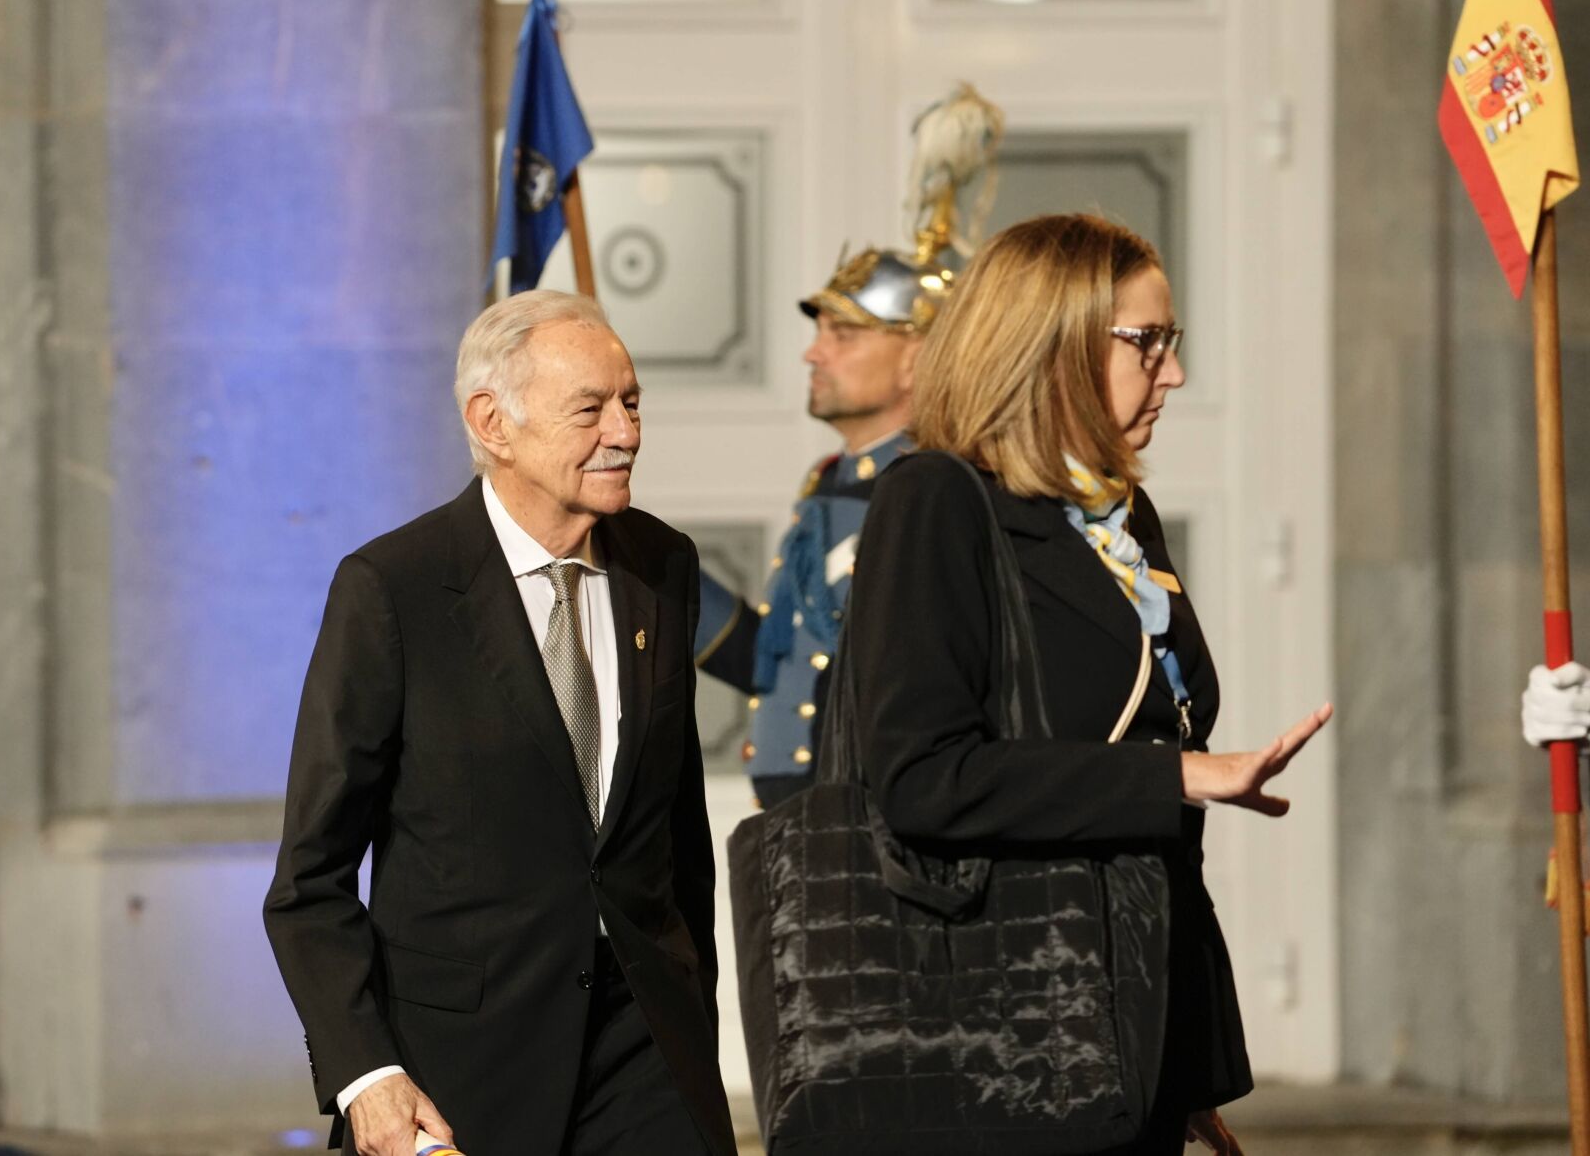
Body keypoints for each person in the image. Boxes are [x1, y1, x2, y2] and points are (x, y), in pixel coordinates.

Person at [843, 213, 1333, 1155]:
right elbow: (921, 780)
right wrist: (1181, 775)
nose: (1175, 373)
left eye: (1171, 342)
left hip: (1129, 1028)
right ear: (1049, 347)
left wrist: (1187, 1063)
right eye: (1146, 343)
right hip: (994, 1026)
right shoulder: (937, 499)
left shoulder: (1121, 514)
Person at [263, 290, 736, 1156]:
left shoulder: (664, 564)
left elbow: (676, 832)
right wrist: (365, 1075)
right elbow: (310, 879)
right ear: (493, 423)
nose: (625, 432)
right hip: (458, 1070)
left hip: (646, 1057)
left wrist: (694, 1023)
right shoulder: (394, 589)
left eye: (631, 403)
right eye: (590, 409)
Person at [694, 247, 945, 807]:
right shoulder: (829, 481)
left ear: (917, 358)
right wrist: (653, 572)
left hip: (867, 821)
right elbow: (789, 659)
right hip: (797, 817)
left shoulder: (933, 490)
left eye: (844, 335)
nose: (813, 353)